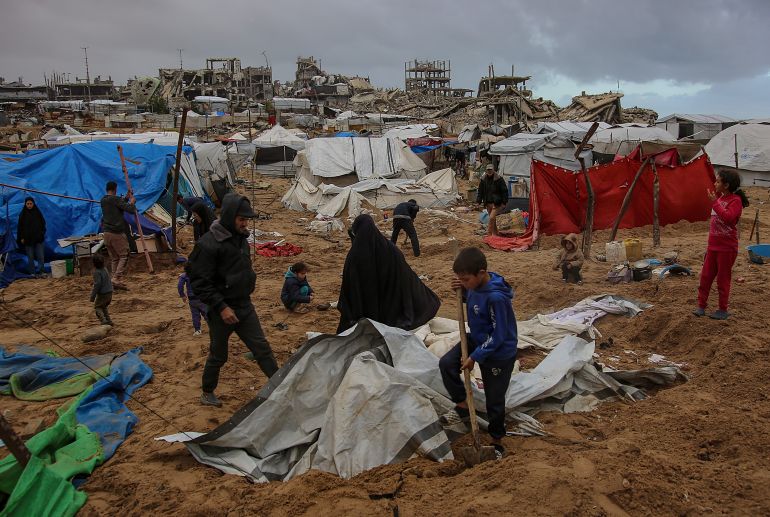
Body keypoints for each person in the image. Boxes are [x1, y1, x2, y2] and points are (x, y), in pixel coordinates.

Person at [188, 192, 279, 407]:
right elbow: (199, 282)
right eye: (241, 219)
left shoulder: (241, 239)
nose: (245, 224)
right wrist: (221, 307)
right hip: (222, 311)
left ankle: (280, 386)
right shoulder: (208, 244)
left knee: (262, 349)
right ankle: (207, 391)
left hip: (244, 305)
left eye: (247, 220)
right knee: (218, 355)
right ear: (229, 217)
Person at [439, 247, 517, 459]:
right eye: (460, 279)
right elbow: (473, 298)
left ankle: (496, 440)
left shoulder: (497, 298)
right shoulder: (473, 286)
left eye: (465, 280)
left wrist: (475, 357)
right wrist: (463, 292)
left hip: (499, 352)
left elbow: (499, 334)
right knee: (447, 364)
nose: (463, 283)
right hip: (478, 338)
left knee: (494, 398)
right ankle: (463, 406)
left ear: (481, 273)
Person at [337, 214, 440, 334]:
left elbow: (349, 287)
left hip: (364, 311)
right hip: (392, 308)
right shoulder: (390, 249)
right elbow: (405, 275)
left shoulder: (354, 256)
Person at [693, 169, 750, 320]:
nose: (715, 183)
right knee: (705, 277)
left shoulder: (735, 201)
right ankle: (701, 306)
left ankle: (722, 309)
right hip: (713, 247)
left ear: (726, 185)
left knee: (722, 279)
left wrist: (714, 203)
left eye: (718, 181)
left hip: (727, 248)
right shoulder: (720, 198)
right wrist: (715, 202)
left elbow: (728, 218)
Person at [100, 181, 136, 288]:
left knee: (115, 258)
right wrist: (132, 202)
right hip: (116, 233)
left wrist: (126, 198)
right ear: (115, 189)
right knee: (124, 255)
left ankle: (113, 279)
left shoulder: (103, 200)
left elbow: (119, 206)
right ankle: (116, 278)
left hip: (106, 233)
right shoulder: (115, 199)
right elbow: (130, 210)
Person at [16, 197, 46, 277]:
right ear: (25, 204)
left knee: (40, 256)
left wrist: (42, 234)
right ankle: (32, 273)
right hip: (28, 240)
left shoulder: (37, 213)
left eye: (31, 203)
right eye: (27, 204)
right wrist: (21, 238)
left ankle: (42, 272)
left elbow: (43, 224)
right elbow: (20, 227)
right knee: (30, 257)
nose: (29, 205)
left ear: (33, 204)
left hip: (38, 239)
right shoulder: (23, 214)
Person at [476, 164, 509, 236]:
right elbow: (480, 191)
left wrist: (504, 202)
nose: (489, 171)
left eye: (491, 170)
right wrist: (478, 201)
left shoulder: (499, 179)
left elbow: (504, 191)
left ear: (493, 170)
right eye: (488, 170)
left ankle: (489, 234)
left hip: (496, 203)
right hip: (488, 203)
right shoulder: (483, 179)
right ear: (486, 170)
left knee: (491, 218)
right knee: (493, 220)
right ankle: (495, 233)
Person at [178, 268, 207, 336]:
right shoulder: (201, 272)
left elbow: (180, 285)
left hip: (192, 298)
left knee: (195, 315)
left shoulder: (185, 275)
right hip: (202, 297)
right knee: (206, 312)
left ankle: (197, 330)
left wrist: (182, 295)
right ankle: (213, 327)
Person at [89, 255, 114, 326]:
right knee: (104, 307)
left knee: (97, 307)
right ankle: (109, 321)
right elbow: (104, 279)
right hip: (110, 291)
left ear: (94, 263)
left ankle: (103, 320)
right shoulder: (105, 269)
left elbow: (98, 284)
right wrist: (94, 282)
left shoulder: (96, 272)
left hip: (103, 293)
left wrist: (92, 296)